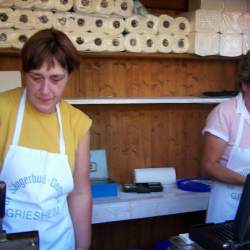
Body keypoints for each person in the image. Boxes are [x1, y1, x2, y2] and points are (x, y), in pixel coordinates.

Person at [0, 28, 92, 250]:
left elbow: (80, 194)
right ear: (24, 74)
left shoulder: (77, 123)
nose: (45, 90)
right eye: (36, 77)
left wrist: (82, 248)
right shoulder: (3, 110)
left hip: (60, 242)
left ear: (69, 75)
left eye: (56, 79)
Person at [201, 51, 250, 224]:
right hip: (228, 207)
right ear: (245, 84)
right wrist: (248, 183)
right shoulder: (225, 113)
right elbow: (209, 166)